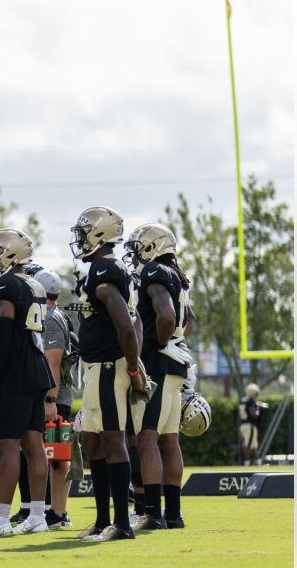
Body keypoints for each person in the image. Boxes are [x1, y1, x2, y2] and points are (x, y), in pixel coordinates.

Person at [0, 229, 54, 536]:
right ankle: (38, 514)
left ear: (11, 254)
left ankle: (1, 518)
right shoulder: (34, 282)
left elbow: (4, 332)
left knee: (7, 446)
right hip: (37, 368)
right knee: (34, 445)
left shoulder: (6, 285)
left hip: (16, 371)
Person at [69, 205, 147, 542]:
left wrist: (132, 366)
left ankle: (122, 524)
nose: (80, 239)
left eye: (85, 232)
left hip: (106, 367)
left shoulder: (104, 269)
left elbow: (126, 325)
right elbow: (136, 322)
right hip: (96, 368)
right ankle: (103, 520)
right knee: (94, 439)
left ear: (99, 234)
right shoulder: (103, 268)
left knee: (113, 439)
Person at [125, 223, 196, 530]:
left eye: (139, 245)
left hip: (157, 364)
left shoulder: (154, 273)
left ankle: (152, 513)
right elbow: (188, 319)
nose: (135, 253)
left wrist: (162, 342)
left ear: (153, 246)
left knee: (147, 439)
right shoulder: (177, 276)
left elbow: (166, 315)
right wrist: (176, 339)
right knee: (169, 440)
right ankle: (174, 514)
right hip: (175, 366)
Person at [35, 268, 80, 529]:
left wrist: (49, 399)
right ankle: (54, 511)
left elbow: (53, 360)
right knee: (55, 455)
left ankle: (58, 512)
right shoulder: (58, 315)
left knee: (57, 456)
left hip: (54, 396)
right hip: (56, 395)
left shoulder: (50, 318)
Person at [239, 383, 265, 466]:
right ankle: (247, 463)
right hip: (249, 425)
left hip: (243, 424)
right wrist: (258, 409)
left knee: (253, 445)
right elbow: (254, 414)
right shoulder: (250, 401)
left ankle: (258, 462)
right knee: (249, 444)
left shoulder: (243, 400)